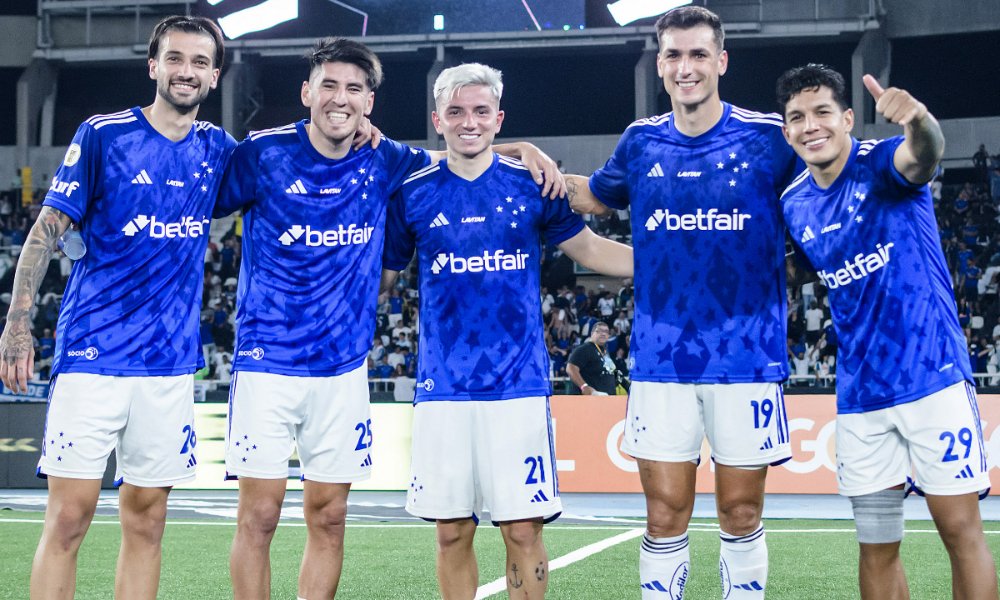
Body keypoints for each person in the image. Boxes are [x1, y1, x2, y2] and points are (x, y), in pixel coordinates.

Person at [215, 39, 565, 599]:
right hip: (267, 360)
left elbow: (463, 156)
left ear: (369, 101)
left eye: (353, 88)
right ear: (306, 92)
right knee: (258, 515)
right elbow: (194, 205)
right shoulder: (263, 153)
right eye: (329, 85)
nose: (340, 98)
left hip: (344, 365)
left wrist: (524, 149)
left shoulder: (388, 159)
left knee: (329, 516)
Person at [564, 7, 798, 598]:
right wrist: (522, 162)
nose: (685, 66)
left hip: (747, 358)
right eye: (673, 54)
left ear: (722, 61)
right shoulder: (641, 141)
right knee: (664, 514)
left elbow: (832, 176)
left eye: (698, 54)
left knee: (741, 512)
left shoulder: (770, 138)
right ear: (660, 64)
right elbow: (590, 197)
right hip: (661, 359)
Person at [0, 16, 234, 599]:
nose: (186, 71)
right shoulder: (104, 135)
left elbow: (295, 164)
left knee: (148, 521)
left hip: (167, 366)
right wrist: (18, 323)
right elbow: (47, 230)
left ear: (215, 75)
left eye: (200, 62)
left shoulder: (219, 150)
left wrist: (361, 128)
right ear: (153, 66)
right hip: (93, 355)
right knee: (68, 517)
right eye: (175, 58)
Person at [381, 63, 633, 600]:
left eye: (480, 111)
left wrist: (666, 261)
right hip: (443, 389)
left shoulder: (533, 185)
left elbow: (589, 249)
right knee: (452, 531)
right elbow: (382, 279)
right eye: (455, 112)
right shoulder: (412, 193)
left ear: (498, 119)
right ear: (437, 121)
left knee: (522, 530)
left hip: (517, 386)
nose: (468, 122)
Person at [777, 63, 997, 600]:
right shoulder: (793, 204)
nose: (811, 125)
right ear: (786, 130)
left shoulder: (880, 163)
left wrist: (918, 119)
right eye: (797, 117)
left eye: (823, 112)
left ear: (848, 118)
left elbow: (924, 154)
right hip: (862, 398)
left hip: (932, 377)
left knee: (960, 531)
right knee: (876, 544)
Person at [567, 321, 619, 395]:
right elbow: (570, 368)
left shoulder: (605, 354)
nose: (603, 334)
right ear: (592, 333)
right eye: (599, 331)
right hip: (590, 400)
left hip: (607, 399)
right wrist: (584, 386)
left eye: (606, 331)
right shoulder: (585, 349)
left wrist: (628, 386)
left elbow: (614, 372)